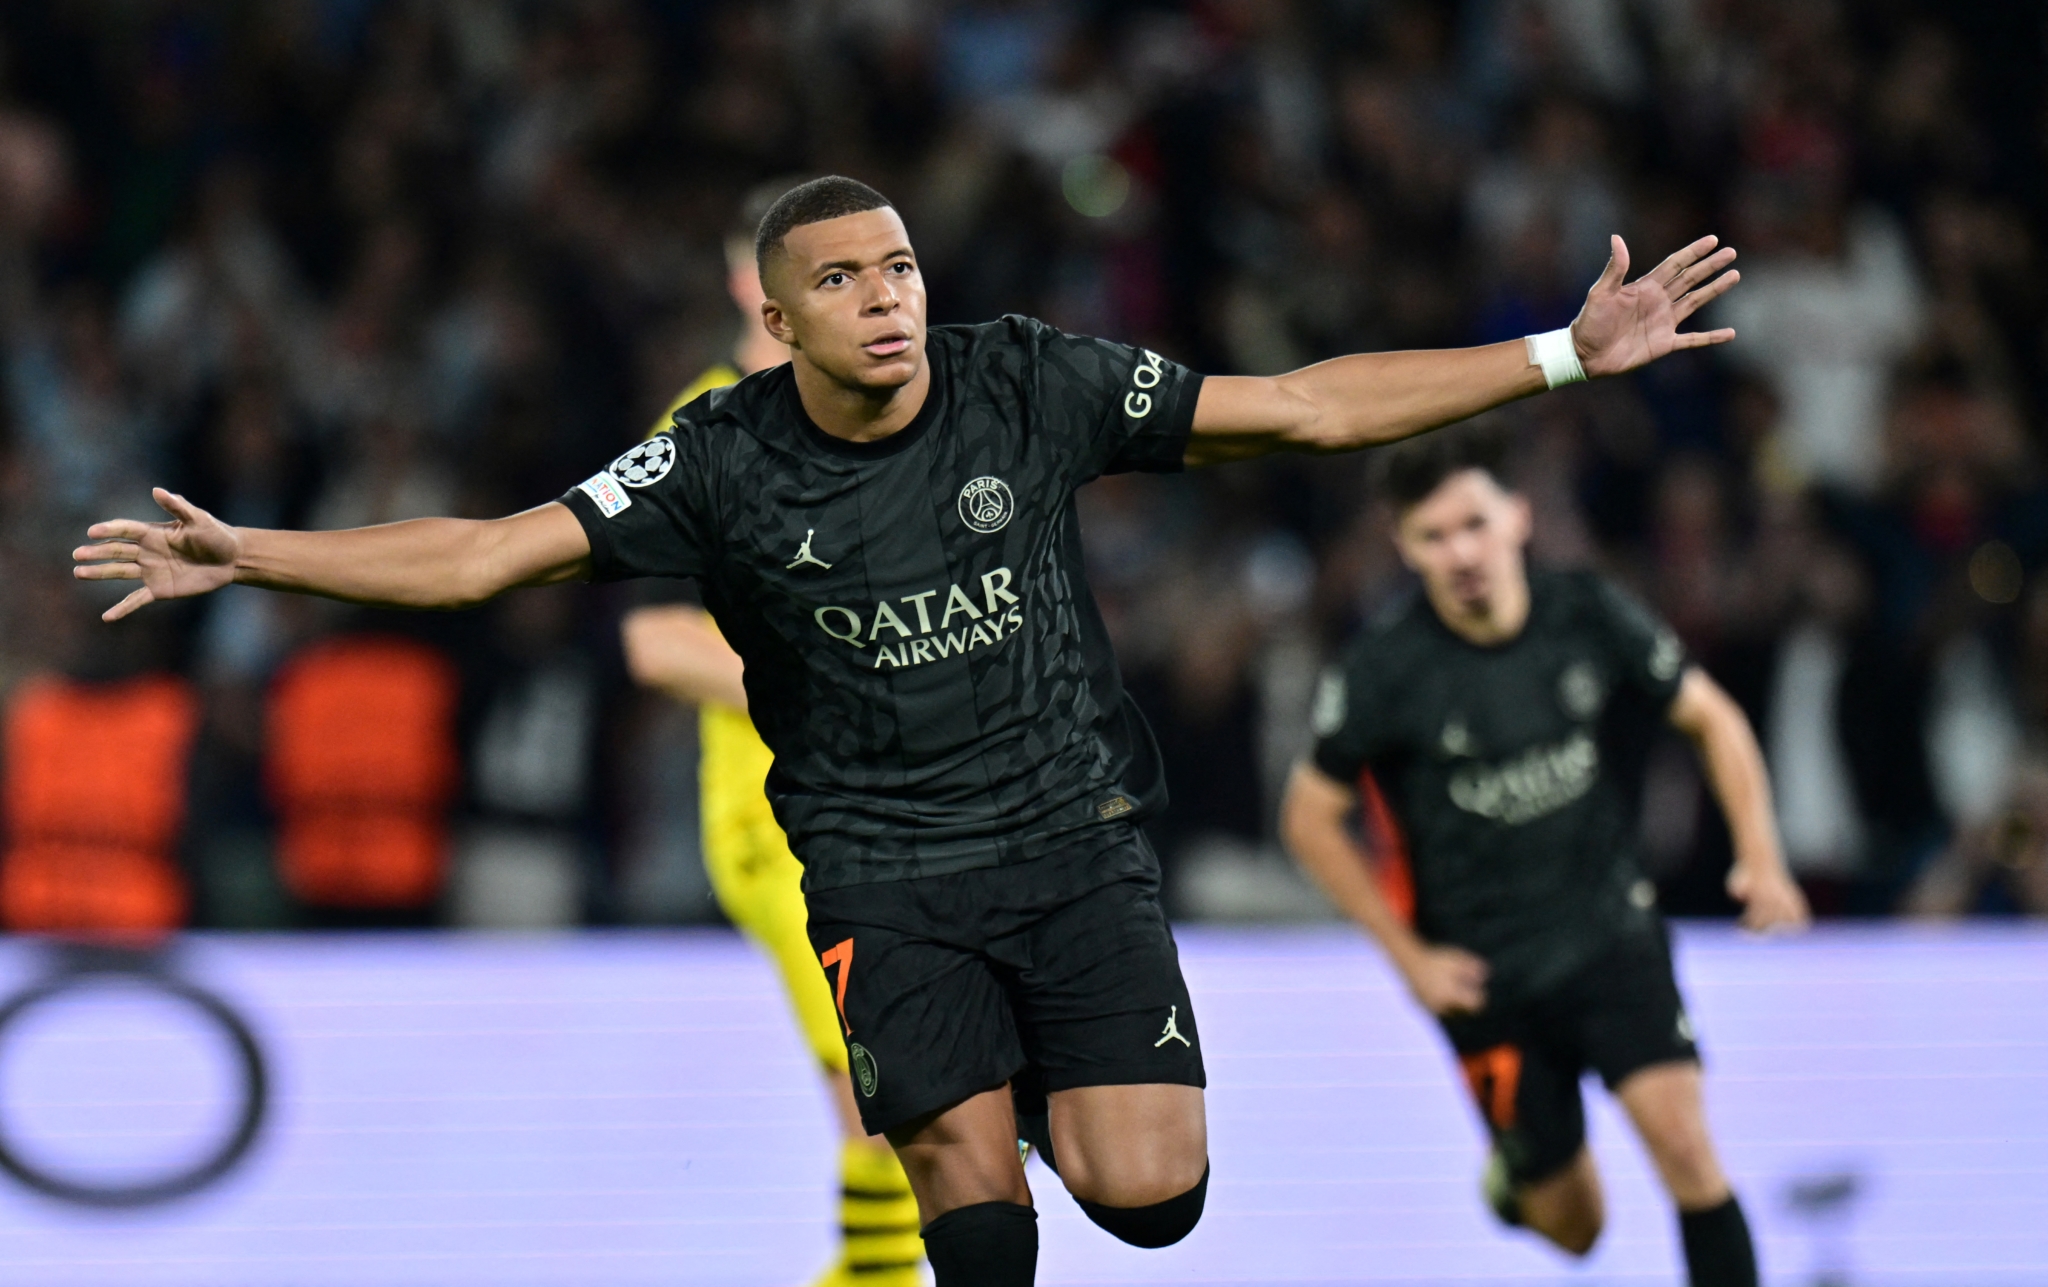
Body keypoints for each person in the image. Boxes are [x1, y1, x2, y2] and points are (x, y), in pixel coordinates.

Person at [74, 175, 1741, 1285]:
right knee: (968, 1203)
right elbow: (488, 553)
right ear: (773, 316)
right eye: (838, 281)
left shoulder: (1023, 380)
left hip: (1072, 841)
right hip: (880, 872)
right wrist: (254, 553)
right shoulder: (714, 456)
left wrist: (1553, 357)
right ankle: (963, 1104)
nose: (882, 299)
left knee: (1152, 1204)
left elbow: (1300, 408)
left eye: (897, 267)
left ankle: (1031, 1086)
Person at [1279, 422, 1808, 1287]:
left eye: (1474, 524)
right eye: (1433, 535)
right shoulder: (1385, 670)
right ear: (1404, 547)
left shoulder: (1587, 611)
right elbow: (1307, 817)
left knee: (1687, 1152)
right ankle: (1520, 1179)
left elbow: (1712, 716)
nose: (1460, 552)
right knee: (1576, 1229)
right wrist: (1408, 958)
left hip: (1610, 933)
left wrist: (1761, 854)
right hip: (1486, 979)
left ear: (1518, 517)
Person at [620, 181, 924, 1287]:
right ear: (747, 284)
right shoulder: (700, 432)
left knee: (904, 1098)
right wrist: (830, 689)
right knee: (885, 1096)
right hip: (781, 825)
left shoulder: (883, 409)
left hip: (902, 815)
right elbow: (655, 641)